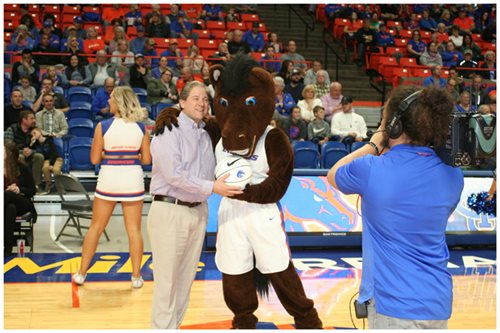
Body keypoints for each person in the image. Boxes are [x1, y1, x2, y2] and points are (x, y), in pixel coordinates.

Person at [327, 86, 464, 329]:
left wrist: (374, 144)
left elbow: (334, 174)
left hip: (393, 303)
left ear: (394, 126)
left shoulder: (370, 168)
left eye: (384, 120)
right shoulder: (454, 174)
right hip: (438, 300)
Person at [148, 82, 242, 329]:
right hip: (170, 209)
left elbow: (212, 171)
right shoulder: (169, 130)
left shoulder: (205, 134)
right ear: (182, 102)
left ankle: (174, 327)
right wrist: (213, 187)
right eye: (196, 98)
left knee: (185, 280)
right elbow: (174, 175)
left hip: (197, 211)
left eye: (205, 99)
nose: (202, 103)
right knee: (167, 282)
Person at [73, 86, 152, 288]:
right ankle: (136, 277)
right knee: (134, 230)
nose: (108, 101)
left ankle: (81, 273)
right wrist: (129, 155)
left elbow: (93, 158)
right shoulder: (141, 128)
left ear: (119, 102)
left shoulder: (103, 126)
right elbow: (147, 159)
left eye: (111, 98)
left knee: (96, 228)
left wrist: (110, 155)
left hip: (109, 178)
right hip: (132, 179)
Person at [4, 142, 37, 256]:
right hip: (7, 205)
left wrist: (19, 189)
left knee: (7, 194)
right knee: (10, 209)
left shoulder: (22, 168)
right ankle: (7, 248)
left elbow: (33, 190)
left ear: (10, 154)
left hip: (23, 202)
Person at [4, 110, 45, 194]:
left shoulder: (35, 131)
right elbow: (7, 147)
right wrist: (22, 151)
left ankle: (37, 184)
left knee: (39, 156)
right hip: (17, 154)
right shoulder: (12, 129)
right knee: (20, 157)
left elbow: (41, 148)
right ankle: (22, 185)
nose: (34, 120)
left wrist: (31, 151)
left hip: (31, 154)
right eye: (32, 118)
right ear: (24, 120)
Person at [30, 127, 62, 193]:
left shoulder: (49, 141)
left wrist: (51, 164)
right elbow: (31, 151)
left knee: (55, 170)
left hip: (56, 158)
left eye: (34, 133)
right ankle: (48, 184)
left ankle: (60, 187)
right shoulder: (35, 144)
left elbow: (54, 153)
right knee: (45, 168)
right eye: (32, 135)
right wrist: (31, 144)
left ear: (40, 132)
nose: (34, 135)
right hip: (47, 160)